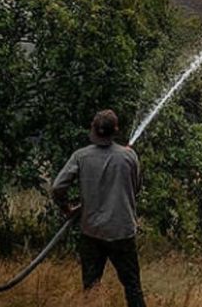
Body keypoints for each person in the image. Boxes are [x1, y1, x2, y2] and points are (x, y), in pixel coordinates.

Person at [52, 109, 145, 307]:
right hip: (122, 232)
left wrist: (66, 208)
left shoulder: (81, 156)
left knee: (91, 287)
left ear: (93, 129)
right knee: (132, 287)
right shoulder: (129, 157)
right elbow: (135, 188)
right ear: (115, 130)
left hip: (92, 232)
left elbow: (58, 187)